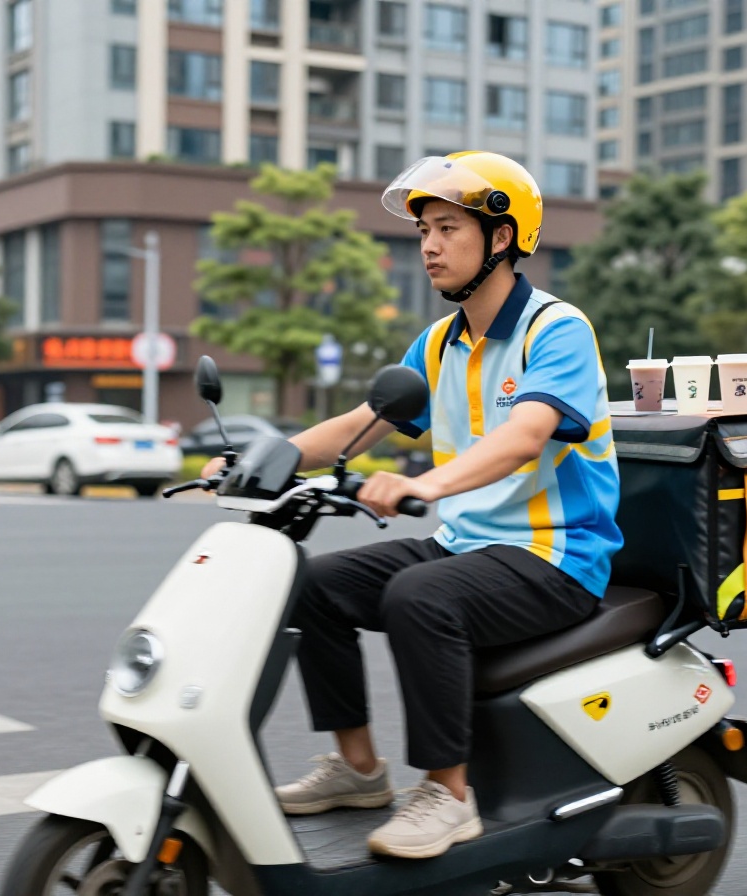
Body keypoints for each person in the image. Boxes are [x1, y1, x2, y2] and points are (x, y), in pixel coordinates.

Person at [202, 152, 622, 860]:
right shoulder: (440, 341)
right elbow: (362, 425)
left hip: (556, 554)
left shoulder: (556, 329)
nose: (428, 244)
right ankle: (361, 771)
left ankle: (448, 796)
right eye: (424, 229)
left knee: (419, 597)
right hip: (471, 545)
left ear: (501, 237)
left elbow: (526, 435)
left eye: (447, 227)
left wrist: (427, 485)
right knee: (313, 584)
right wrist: (261, 462)